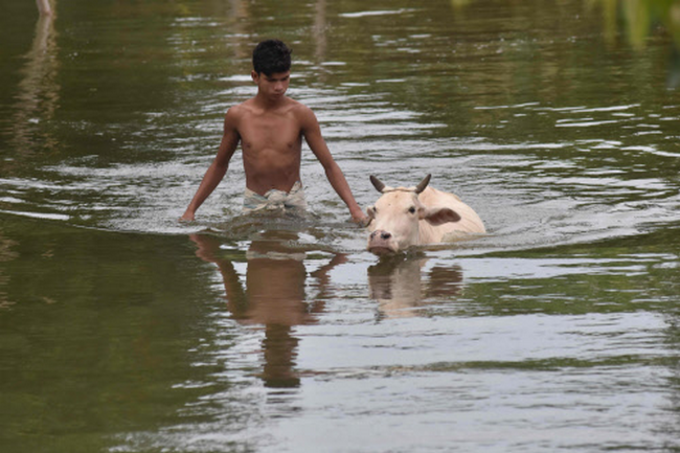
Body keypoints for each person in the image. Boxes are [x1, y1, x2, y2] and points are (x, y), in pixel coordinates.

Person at [180, 39, 366, 224]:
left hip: (293, 201)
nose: (279, 87)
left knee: (294, 249)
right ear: (255, 76)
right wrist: (191, 210)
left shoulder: (301, 114)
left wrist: (354, 209)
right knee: (258, 252)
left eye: (284, 79)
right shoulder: (238, 116)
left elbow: (329, 165)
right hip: (255, 202)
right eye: (271, 80)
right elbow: (220, 165)